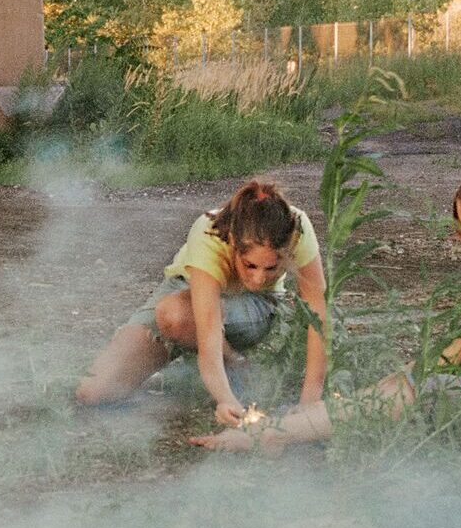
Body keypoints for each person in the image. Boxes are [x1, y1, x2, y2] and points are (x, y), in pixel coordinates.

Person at [192, 161, 461, 451]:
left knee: (426, 390)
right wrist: (410, 374)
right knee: (429, 374)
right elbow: (458, 352)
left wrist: (417, 384)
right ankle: (291, 426)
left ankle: (274, 433)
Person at [74, 180, 331, 427]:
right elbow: (207, 329)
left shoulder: (297, 230)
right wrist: (226, 399)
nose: (258, 277)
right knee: (93, 391)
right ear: (233, 242)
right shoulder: (209, 230)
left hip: (255, 305)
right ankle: (231, 365)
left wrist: (310, 401)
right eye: (250, 265)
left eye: (271, 268)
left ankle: (234, 371)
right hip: (185, 291)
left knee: (176, 313)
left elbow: (317, 315)